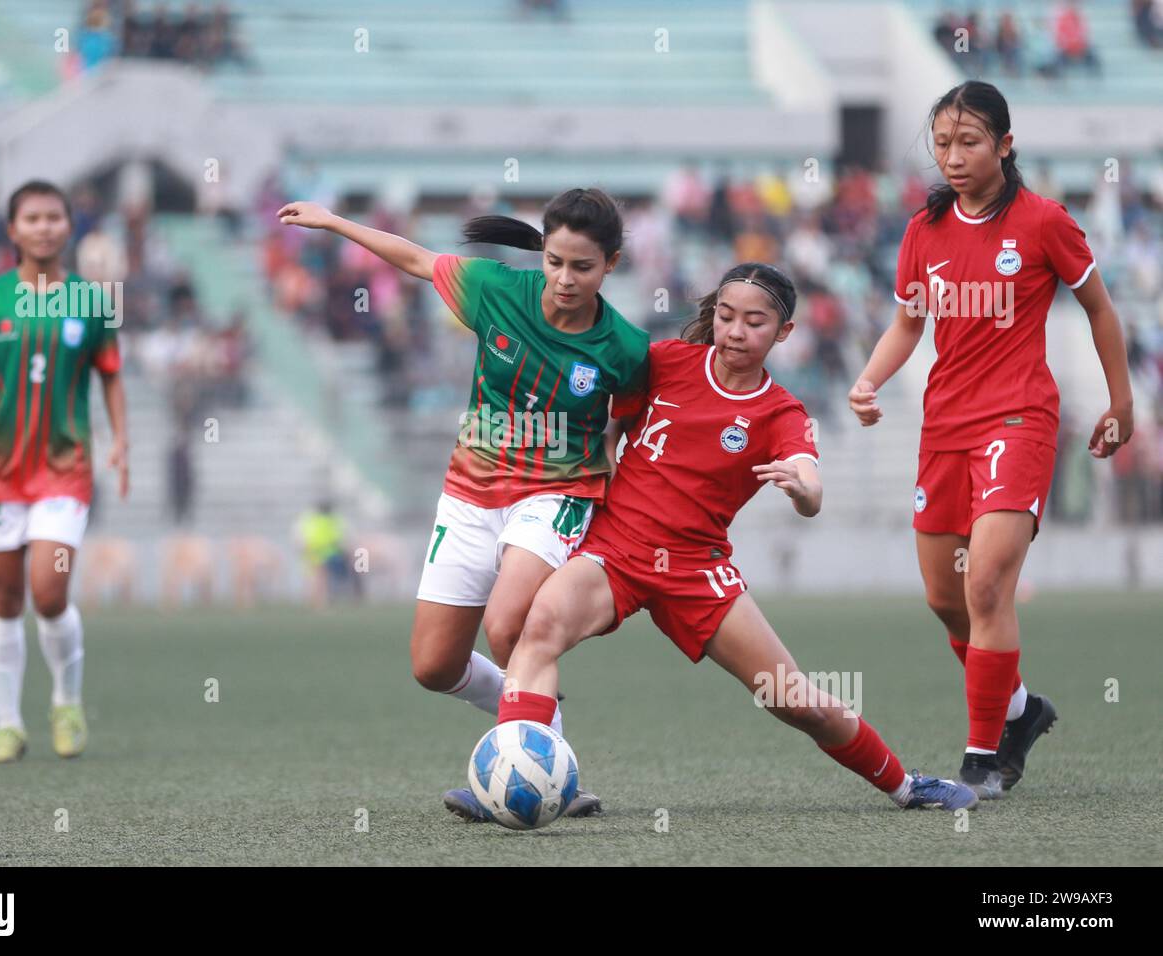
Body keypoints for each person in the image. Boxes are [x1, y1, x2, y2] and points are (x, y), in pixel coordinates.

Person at [493, 263, 978, 815]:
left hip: (696, 571)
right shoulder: (666, 362)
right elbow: (601, 404)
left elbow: (811, 487)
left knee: (794, 701)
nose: (735, 332)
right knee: (541, 626)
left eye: (754, 322)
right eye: (725, 317)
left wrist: (801, 488)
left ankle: (905, 785)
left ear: (784, 332)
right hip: (615, 551)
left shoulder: (780, 411)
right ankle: (514, 781)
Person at [278, 189, 649, 820]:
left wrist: (610, 459)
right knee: (433, 665)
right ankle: (542, 717)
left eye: (582, 267)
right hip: (470, 494)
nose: (564, 278)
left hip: (555, 494)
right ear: (543, 252)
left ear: (609, 265)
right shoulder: (495, 290)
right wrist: (335, 223)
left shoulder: (625, 346)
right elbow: (419, 260)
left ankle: (531, 768)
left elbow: (632, 412)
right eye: (555, 261)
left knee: (508, 624)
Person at [848, 81, 1133, 798]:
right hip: (945, 426)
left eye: (969, 141)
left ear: (1005, 145)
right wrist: (869, 380)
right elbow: (909, 323)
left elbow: (1098, 309)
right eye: (942, 143)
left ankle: (982, 758)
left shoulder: (1044, 223)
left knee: (988, 583)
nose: (953, 156)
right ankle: (1018, 709)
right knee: (945, 598)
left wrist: (1120, 402)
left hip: (1019, 419)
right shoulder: (923, 231)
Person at [0, 180, 129, 763]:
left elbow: (110, 374)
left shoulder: (94, 301)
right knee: (3, 598)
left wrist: (121, 440)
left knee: (48, 592)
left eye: (54, 217)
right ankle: (8, 725)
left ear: (68, 227)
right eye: (33, 218)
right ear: (13, 230)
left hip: (65, 468)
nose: (44, 226)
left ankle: (66, 703)